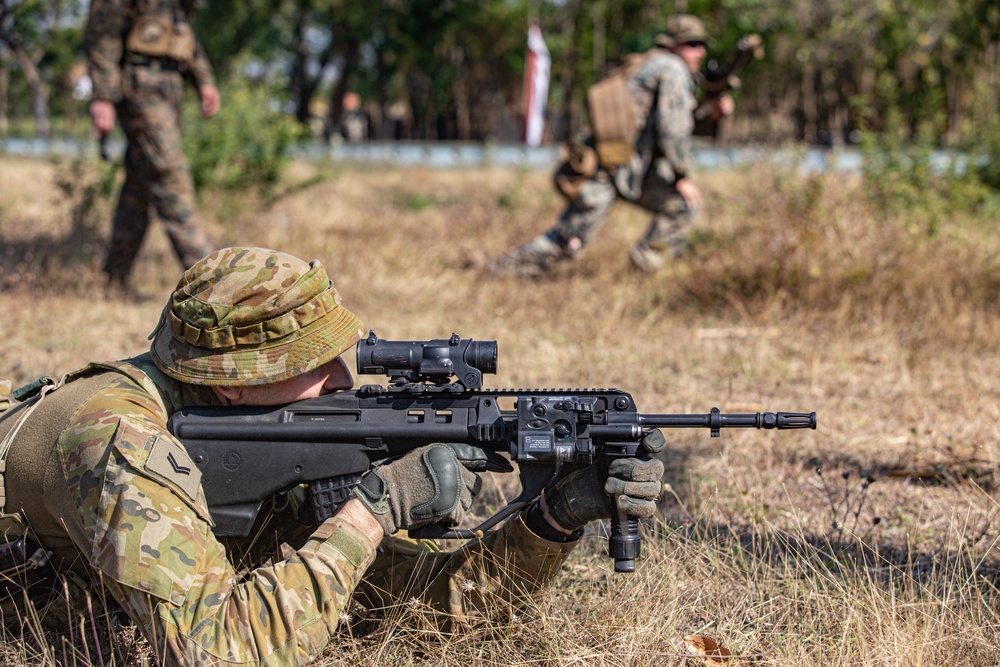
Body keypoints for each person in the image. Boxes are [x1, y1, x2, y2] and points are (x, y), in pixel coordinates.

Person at [0, 247, 665, 665]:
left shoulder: (242, 427)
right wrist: (372, 512)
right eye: (317, 363)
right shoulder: (119, 442)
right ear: (236, 378)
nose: (346, 379)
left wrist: (550, 519)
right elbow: (220, 651)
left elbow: (416, 613)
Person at [490, 14, 735, 276]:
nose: (700, 51)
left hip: (627, 168)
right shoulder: (673, 69)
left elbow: (671, 121)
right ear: (673, 45)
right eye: (692, 44)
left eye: (701, 45)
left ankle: (644, 270)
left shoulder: (650, 64)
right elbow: (672, 128)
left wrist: (712, 113)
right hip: (607, 170)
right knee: (568, 240)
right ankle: (500, 272)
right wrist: (680, 175)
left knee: (682, 206)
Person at [85, 0, 220, 297]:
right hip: (139, 82)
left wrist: (204, 80)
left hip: (170, 83)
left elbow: (182, 31)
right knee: (169, 174)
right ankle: (213, 285)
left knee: (139, 187)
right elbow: (102, 31)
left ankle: (114, 280)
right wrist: (103, 95)